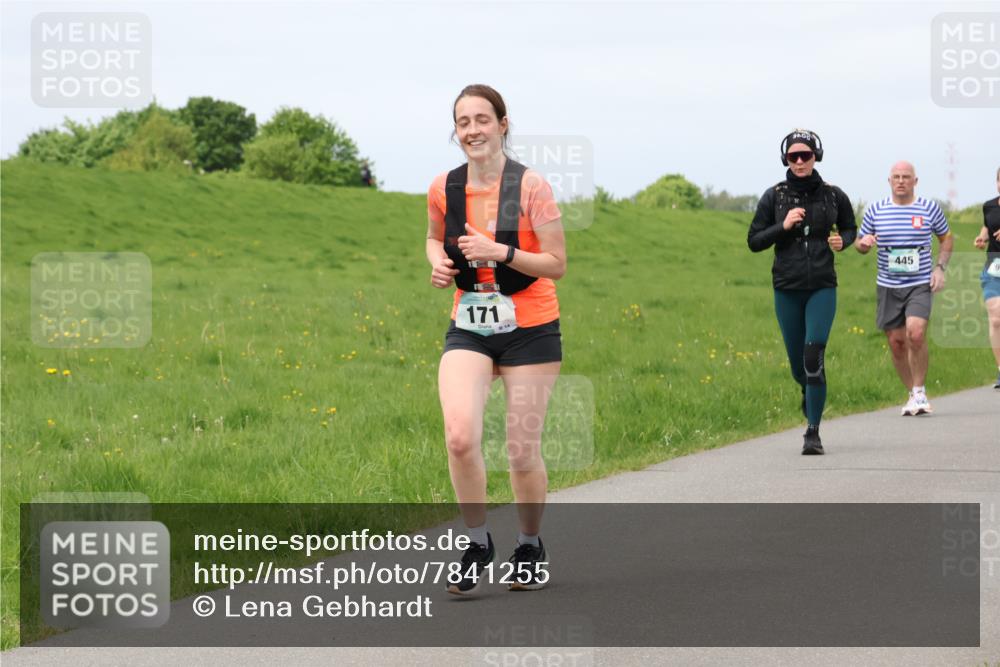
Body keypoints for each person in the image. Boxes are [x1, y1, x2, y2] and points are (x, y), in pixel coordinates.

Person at [426, 84, 566, 594]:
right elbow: (432, 236)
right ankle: (477, 541)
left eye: (482, 119)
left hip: (531, 329)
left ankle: (529, 544)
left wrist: (499, 252)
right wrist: (437, 263)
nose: (472, 130)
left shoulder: (531, 187)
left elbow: (557, 263)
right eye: (463, 122)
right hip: (470, 325)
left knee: (520, 451)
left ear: (503, 124)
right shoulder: (445, 186)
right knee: (460, 436)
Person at [748, 129, 857, 455]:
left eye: (805, 155)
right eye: (793, 156)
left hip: (822, 286)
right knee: (799, 366)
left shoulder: (834, 196)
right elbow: (754, 241)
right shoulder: (774, 197)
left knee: (814, 358)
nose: (799, 161)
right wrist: (782, 227)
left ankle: (813, 432)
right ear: (786, 159)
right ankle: (807, 392)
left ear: (815, 157)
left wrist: (843, 241)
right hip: (787, 287)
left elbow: (850, 227)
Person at [855, 162, 953, 414]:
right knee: (897, 342)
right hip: (888, 285)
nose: (901, 181)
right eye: (896, 177)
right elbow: (860, 243)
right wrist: (864, 243)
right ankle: (912, 393)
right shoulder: (876, 210)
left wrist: (940, 268)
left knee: (916, 333)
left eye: (906, 177)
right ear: (889, 181)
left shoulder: (929, 208)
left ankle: (920, 391)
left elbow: (946, 238)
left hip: (919, 283)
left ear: (915, 181)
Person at [973, 167, 1000, 389]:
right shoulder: (989, 205)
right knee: (996, 318)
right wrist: (982, 237)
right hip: (994, 268)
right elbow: (987, 225)